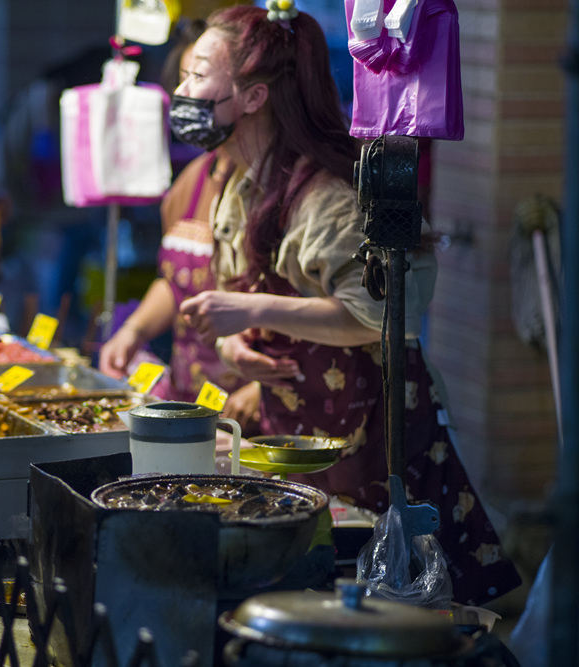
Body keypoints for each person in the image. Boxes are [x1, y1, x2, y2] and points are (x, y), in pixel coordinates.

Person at [174, 4, 521, 606]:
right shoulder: (233, 182)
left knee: (406, 609)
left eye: (196, 74)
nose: (181, 91)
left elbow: (376, 317)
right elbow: (245, 298)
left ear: (254, 96)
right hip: (302, 433)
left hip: (374, 436)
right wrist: (236, 342)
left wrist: (250, 314)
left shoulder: (327, 197)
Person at [98, 19, 260, 428]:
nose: (186, 93)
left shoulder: (275, 188)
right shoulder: (190, 183)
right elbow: (175, 283)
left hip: (261, 410)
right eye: (184, 78)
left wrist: (267, 389)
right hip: (192, 403)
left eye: (200, 77)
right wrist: (132, 330)